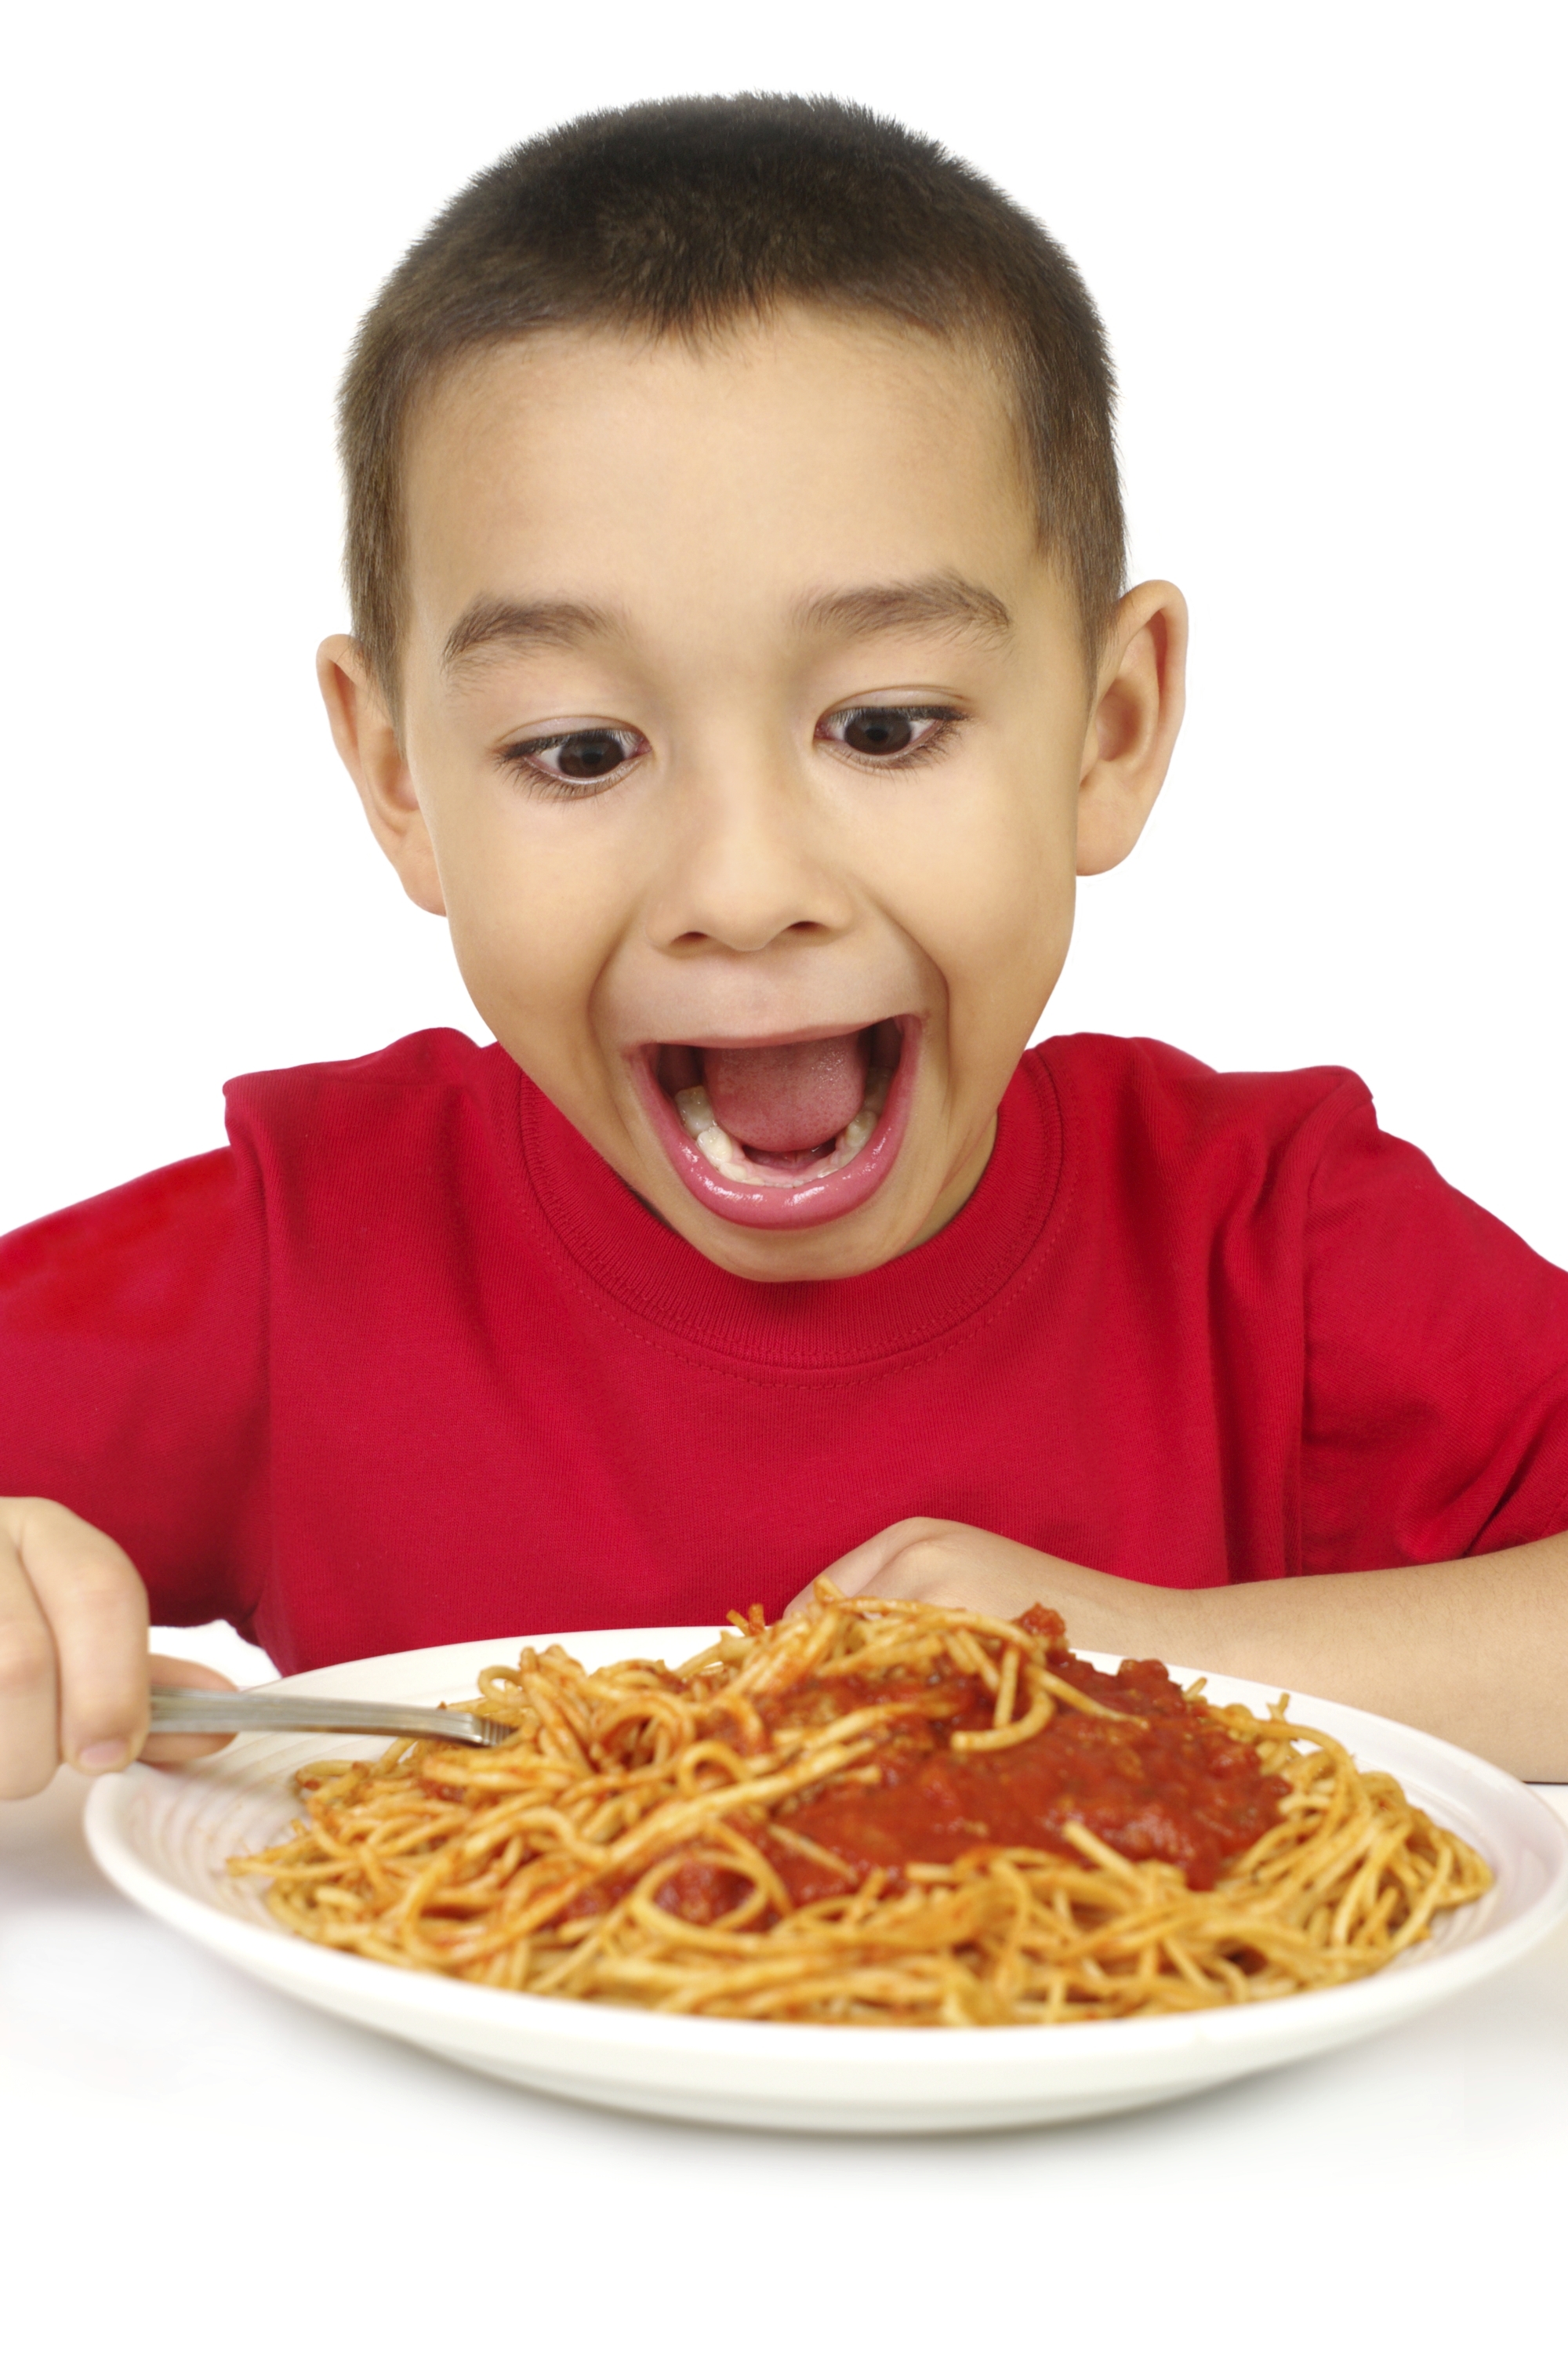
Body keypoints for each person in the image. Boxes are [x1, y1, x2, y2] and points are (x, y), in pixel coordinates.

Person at [3, 94, 1566, 1803]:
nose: (744, 889)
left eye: (885, 725)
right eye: (581, 752)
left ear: (1108, 729)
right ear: (397, 778)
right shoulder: (301, 1252)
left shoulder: (1272, 1248)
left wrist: (1139, 1666)